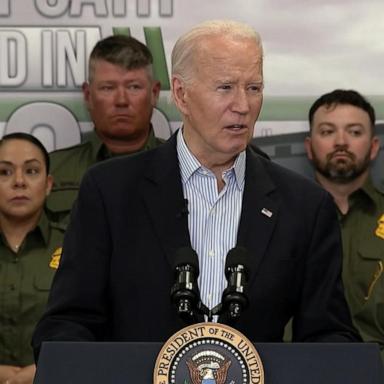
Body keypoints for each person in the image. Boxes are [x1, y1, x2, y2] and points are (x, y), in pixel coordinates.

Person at [32, 20, 360, 359]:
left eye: (254, 88)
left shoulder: (304, 205)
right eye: (225, 87)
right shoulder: (110, 192)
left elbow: (329, 336)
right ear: (181, 94)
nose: (243, 106)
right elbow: (68, 325)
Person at [46, 34, 163, 223]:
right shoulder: (51, 171)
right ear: (88, 95)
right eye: (108, 88)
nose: (122, 101)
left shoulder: (186, 168)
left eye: (134, 87)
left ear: (154, 94)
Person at [304, 89, 383, 362]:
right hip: (297, 369)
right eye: (327, 132)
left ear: (373, 147)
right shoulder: (279, 218)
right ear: (309, 147)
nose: (341, 142)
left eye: (354, 132)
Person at [0, 133, 65, 384]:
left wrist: (41, 370)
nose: (19, 182)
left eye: (31, 171)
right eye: (4, 172)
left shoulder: (75, 247)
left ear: (48, 184)